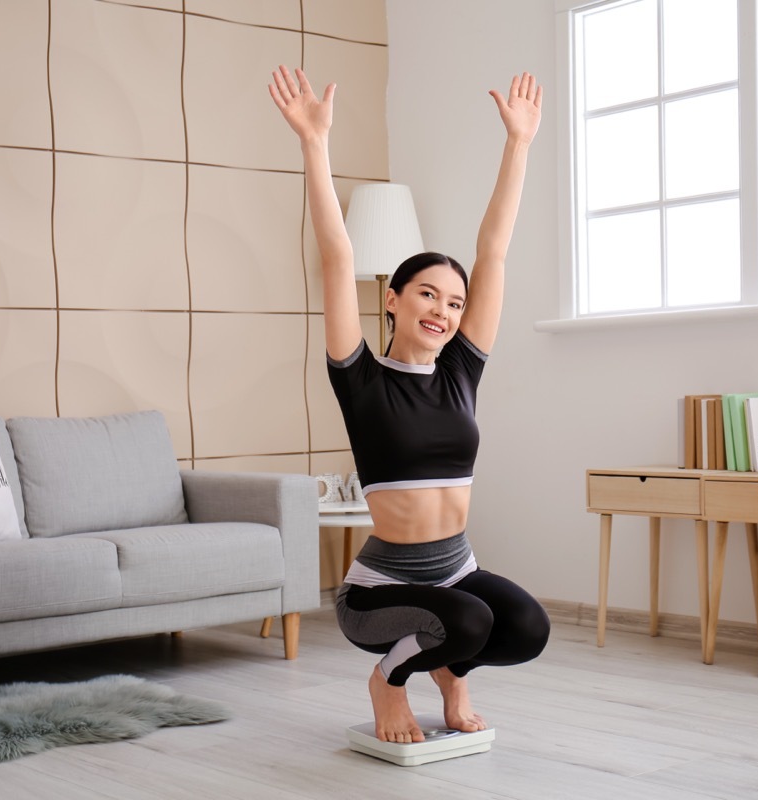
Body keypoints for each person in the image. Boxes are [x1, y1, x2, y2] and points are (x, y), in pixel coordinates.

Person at [269, 65, 549, 745]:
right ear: (391, 298)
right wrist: (315, 143)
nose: (445, 309)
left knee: (526, 627)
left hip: (457, 569)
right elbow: (337, 256)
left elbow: (495, 253)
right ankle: (388, 681)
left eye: (454, 302)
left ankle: (449, 668)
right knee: (469, 622)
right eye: (427, 293)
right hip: (379, 595)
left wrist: (519, 144)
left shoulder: (461, 371)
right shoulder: (360, 377)